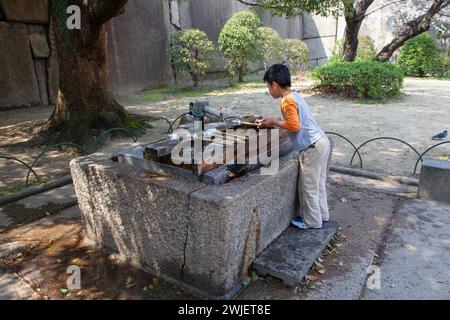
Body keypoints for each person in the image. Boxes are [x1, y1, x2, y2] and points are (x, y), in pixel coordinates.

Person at [256, 64, 330, 230]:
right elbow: (292, 120)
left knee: (308, 187)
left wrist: (274, 121)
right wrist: (272, 121)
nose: (269, 90)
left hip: (312, 148)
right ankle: (322, 215)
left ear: (274, 84)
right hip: (322, 141)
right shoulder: (295, 95)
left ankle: (312, 221)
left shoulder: (286, 100)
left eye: (268, 86)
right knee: (318, 183)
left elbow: (294, 126)